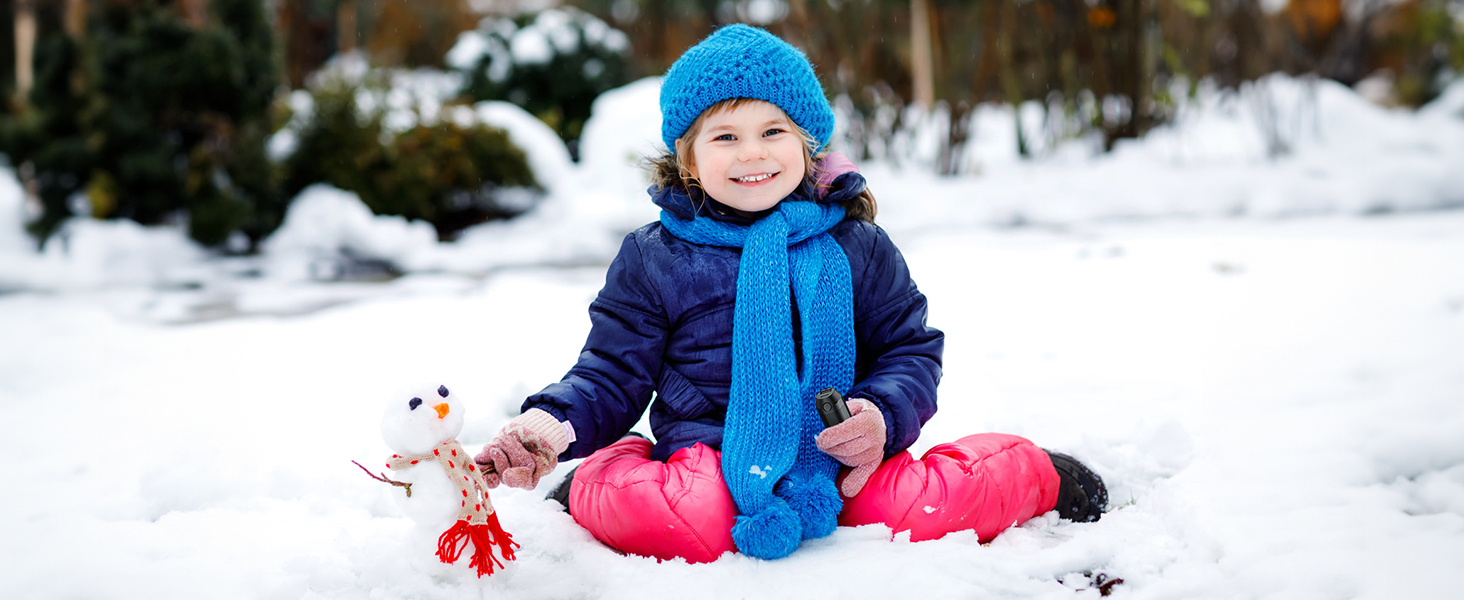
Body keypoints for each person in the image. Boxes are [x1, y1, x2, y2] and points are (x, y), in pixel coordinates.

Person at [474, 24, 1107, 563]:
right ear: (689, 159)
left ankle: (1037, 474)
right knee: (690, 517)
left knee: (919, 507)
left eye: (773, 132)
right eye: (725, 137)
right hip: (710, 458)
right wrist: (550, 427)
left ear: (807, 145)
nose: (753, 153)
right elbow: (613, 371)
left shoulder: (857, 244)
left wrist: (880, 417)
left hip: (843, 461)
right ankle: (599, 475)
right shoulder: (654, 257)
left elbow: (909, 351)